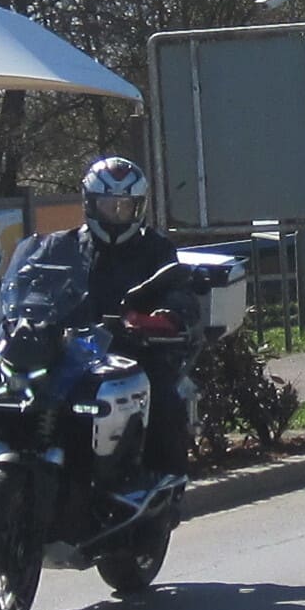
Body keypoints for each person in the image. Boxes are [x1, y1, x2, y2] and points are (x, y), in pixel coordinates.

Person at [68, 152, 194, 481]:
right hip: (74, 349)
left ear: (139, 208)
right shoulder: (67, 245)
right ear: (90, 203)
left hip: (136, 349)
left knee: (162, 398)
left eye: (125, 207)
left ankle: (163, 478)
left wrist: (165, 316)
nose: (116, 214)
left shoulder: (155, 248)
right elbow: (33, 280)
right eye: (108, 205)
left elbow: (178, 287)